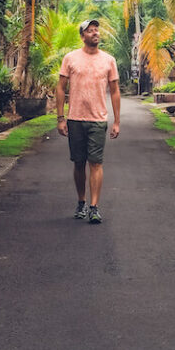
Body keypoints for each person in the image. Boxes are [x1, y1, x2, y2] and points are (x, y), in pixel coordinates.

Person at [55, 17, 120, 224]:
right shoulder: (71, 58)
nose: (95, 33)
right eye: (90, 31)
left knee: (96, 162)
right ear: (82, 36)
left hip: (98, 119)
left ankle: (94, 207)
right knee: (78, 162)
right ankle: (81, 202)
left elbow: (115, 91)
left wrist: (117, 121)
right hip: (74, 119)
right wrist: (60, 118)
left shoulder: (108, 60)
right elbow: (60, 88)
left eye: (96, 30)